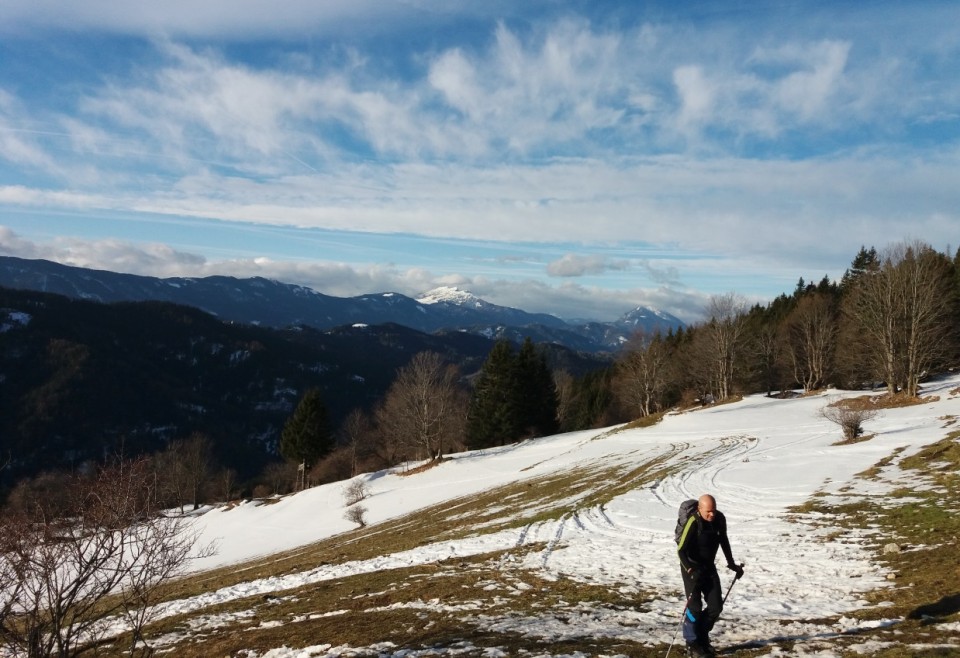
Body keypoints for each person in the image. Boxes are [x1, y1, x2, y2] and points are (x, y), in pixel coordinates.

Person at [676, 494, 744, 657]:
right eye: (708, 512)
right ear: (699, 509)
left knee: (716, 607)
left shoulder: (719, 519)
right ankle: (692, 643)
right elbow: (681, 550)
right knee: (695, 608)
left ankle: (701, 636)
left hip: (708, 567)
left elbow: (724, 540)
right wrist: (690, 570)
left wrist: (732, 564)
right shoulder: (693, 521)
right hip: (691, 567)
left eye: (713, 510)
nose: (711, 515)